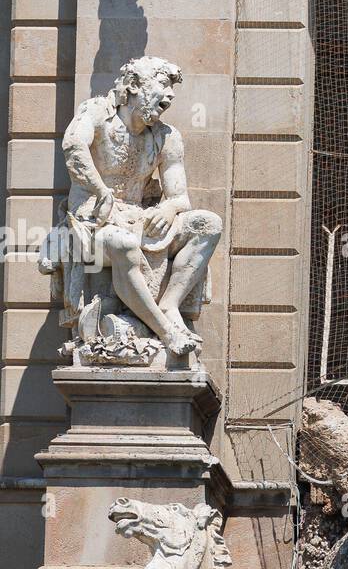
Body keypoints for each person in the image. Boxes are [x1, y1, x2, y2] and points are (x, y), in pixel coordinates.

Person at [48, 56, 221, 358]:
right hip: (92, 222)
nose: (170, 95)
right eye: (163, 85)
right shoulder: (96, 113)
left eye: (172, 89)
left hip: (137, 217)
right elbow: (73, 146)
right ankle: (167, 330)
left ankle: (169, 302)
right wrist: (100, 189)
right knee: (122, 243)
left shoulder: (167, 137)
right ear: (133, 85)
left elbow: (180, 197)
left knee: (208, 224)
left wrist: (168, 209)